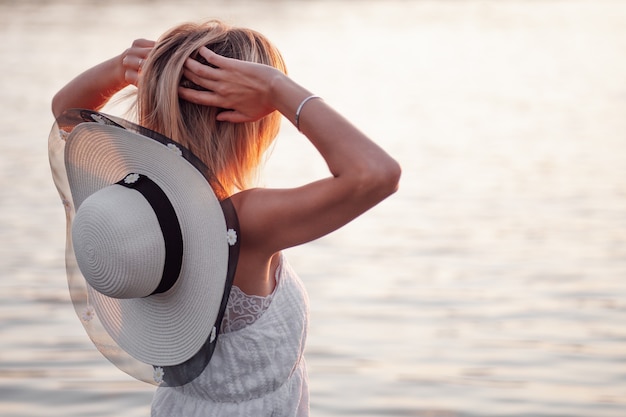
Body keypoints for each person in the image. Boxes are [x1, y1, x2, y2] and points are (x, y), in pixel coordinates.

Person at [51, 19, 400, 416]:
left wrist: (117, 69)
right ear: (255, 118)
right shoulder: (245, 220)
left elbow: (66, 114)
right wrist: (277, 87)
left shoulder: (137, 195)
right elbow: (376, 175)